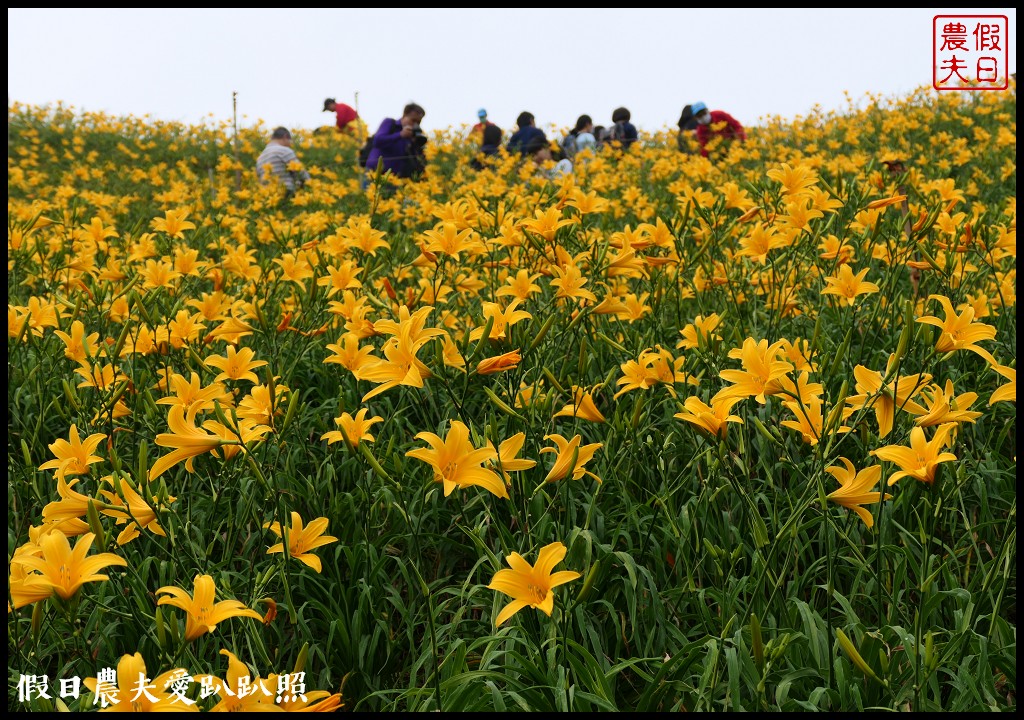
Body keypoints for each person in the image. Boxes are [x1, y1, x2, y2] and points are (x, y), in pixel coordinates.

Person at [364, 102, 428, 186]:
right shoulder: (390, 123)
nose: (415, 124)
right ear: (404, 115)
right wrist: (400, 135)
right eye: (413, 120)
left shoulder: (412, 135)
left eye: (418, 122)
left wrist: (415, 144)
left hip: (395, 179)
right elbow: (377, 141)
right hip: (374, 173)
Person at [255, 127, 310, 194]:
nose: (290, 145)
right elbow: (302, 174)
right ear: (285, 137)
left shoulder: (260, 157)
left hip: (267, 195)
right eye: (290, 141)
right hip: (286, 193)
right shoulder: (284, 151)